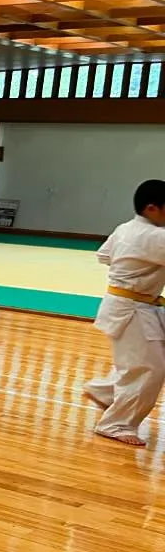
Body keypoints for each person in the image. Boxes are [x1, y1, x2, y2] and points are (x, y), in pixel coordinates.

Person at [83, 179, 165, 447]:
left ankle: (106, 391)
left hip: (131, 305)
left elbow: (104, 255)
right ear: (152, 208)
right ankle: (115, 423)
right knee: (149, 369)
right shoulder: (153, 236)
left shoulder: (125, 228)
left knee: (141, 364)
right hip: (132, 310)